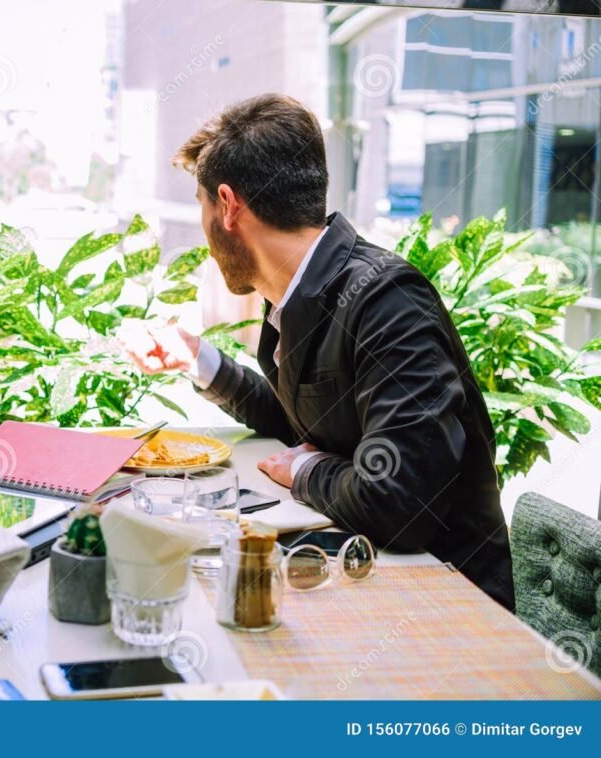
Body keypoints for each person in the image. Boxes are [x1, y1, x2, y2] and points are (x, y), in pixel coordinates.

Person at [120, 94, 514, 610]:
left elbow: (399, 502)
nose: (204, 227)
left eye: (202, 207)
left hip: (447, 604)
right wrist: (198, 360)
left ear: (229, 205)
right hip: (364, 574)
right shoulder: (300, 292)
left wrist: (305, 473)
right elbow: (305, 422)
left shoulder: (385, 301)